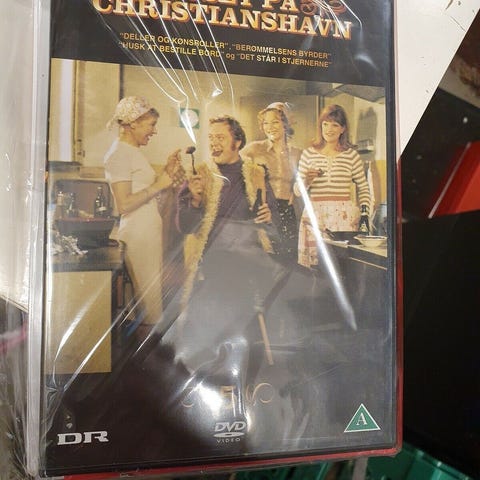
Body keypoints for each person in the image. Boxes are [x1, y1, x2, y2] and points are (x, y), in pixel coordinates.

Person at [104, 96, 183, 329]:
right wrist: (159, 185)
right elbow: (124, 204)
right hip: (138, 233)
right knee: (148, 302)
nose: (154, 131)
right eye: (151, 125)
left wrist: (166, 172)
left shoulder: (131, 151)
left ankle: (145, 343)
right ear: (132, 123)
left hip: (146, 231)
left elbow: (144, 191)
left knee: (147, 299)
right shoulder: (119, 154)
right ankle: (148, 346)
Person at [295, 104, 370, 268]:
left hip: (344, 218)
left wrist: (365, 213)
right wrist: (306, 181)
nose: (329, 129)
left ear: (343, 129)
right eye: (325, 124)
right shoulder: (308, 153)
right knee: (316, 267)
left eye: (335, 125)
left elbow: (363, 188)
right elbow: (297, 191)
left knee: (342, 266)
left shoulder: (351, 155)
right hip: (315, 216)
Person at [241, 102, 302, 259]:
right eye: (265, 123)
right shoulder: (254, 149)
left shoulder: (297, 153)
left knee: (289, 257)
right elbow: (235, 166)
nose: (270, 127)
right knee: (266, 257)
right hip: (265, 211)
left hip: (288, 212)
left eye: (275, 122)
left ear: (285, 124)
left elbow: (302, 186)